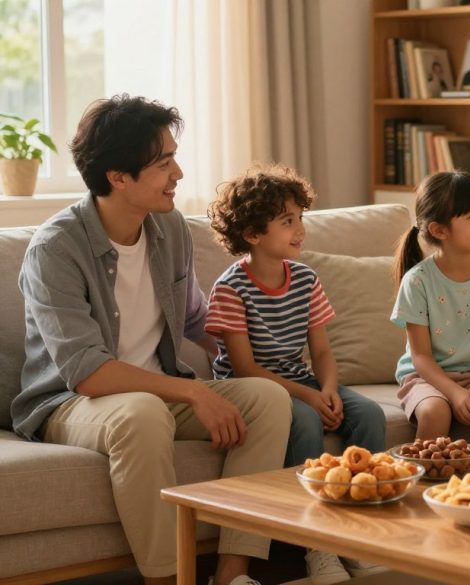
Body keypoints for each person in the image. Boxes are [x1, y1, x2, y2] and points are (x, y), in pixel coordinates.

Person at [11, 94, 292, 585]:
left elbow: (194, 319)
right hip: (71, 401)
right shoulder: (56, 249)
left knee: (267, 399)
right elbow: (88, 373)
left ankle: (232, 572)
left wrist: (269, 354)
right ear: (118, 177)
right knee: (141, 412)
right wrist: (193, 391)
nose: (178, 173)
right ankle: (170, 578)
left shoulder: (170, 228)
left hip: (157, 390)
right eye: (163, 163)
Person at [206, 164, 387, 583]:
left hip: (300, 380)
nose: (300, 228)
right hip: (253, 387)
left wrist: (327, 389)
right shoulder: (231, 289)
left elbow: (321, 350)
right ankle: (316, 547)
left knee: (370, 414)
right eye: (287, 221)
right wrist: (309, 399)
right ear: (252, 234)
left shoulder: (305, 278)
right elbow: (245, 368)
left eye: (300, 218)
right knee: (304, 419)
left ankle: (357, 536)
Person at [391, 171, 470, 459]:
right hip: (428, 378)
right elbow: (421, 357)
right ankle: (423, 483)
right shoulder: (417, 281)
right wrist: (454, 393)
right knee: (435, 411)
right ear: (439, 230)